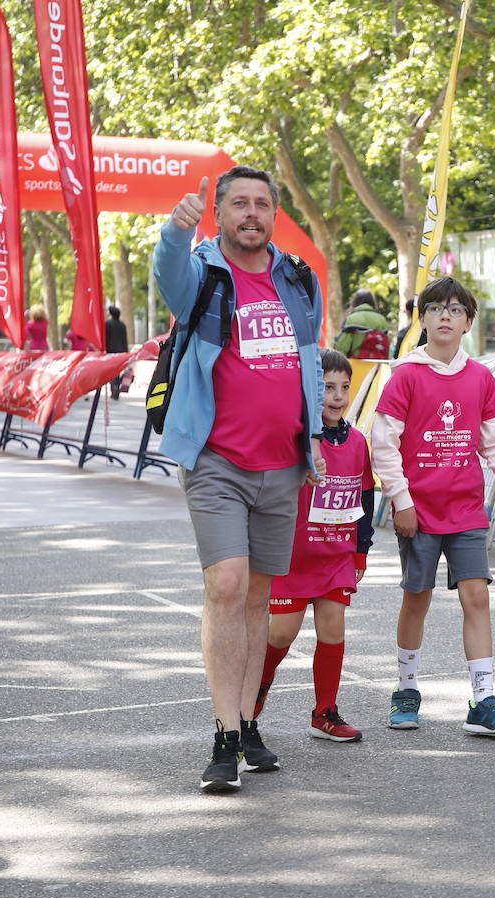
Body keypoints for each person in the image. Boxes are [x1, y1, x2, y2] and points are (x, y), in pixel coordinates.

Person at [154, 164, 325, 793]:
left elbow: (309, 365)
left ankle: (249, 718)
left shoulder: (297, 278)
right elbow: (171, 284)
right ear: (220, 213)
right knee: (226, 586)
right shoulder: (203, 272)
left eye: (262, 204)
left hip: (283, 464)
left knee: (259, 598)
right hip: (216, 461)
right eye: (239, 205)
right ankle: (225, 736)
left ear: (273, 213)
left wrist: (314, 441)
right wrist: (174, 235)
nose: (251, 214)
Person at [371, 276, 495, 736]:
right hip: (417, 511)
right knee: (416, 598)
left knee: (476, 596)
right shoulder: (405, 375)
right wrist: (400, 501)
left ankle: (483, 699)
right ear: (423, 319)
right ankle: (406, 689)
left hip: (464, 511)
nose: (445, 315)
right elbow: (383, 445)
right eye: (436, 307)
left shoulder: (480, 378)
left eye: (456, 309)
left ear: (468, 323)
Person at [253, 349, 375, 743]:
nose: (337, 396)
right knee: (281, 635)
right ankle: (255, 689)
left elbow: (365, 498)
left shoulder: (357, 442)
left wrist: (361, 549)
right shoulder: (296, 442)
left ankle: (325, 712)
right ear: (309, 390)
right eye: (326, 387)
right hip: (294, 557)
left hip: (336, 556)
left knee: (333, 629)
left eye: (344, 387)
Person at [104, 304, 130, 399]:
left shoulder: (107, 324)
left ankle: (113, 387)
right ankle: (116, 387)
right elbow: (124, 339)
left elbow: (106, 338)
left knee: (111, 371)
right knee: (118, 371)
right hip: (120, 351)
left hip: (110, 350)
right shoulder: (122, 325)